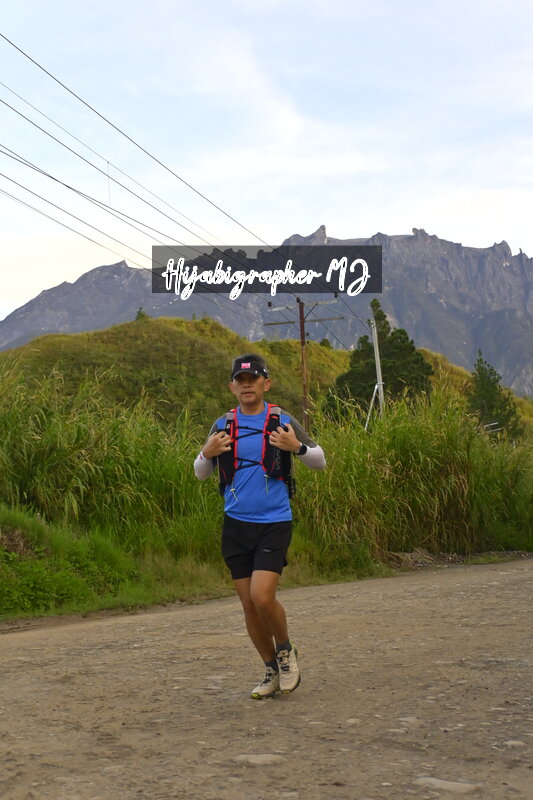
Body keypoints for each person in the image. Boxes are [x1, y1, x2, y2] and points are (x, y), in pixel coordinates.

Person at [193, 353, 326, 699]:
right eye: (240, 380)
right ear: (232, 387)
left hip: (274, 522)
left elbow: (320, 461)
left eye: (253, 379)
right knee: (249, 606)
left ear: (266, 384)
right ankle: (270, 670)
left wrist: (296, 447)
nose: (246, 385)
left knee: (262, 597)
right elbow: (201, 472)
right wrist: (206, 453)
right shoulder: (223, 424)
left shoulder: (282, 420)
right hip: (235, 525)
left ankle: (285, 651)